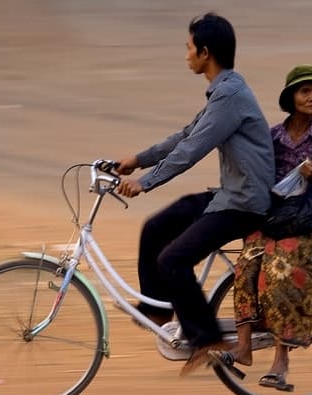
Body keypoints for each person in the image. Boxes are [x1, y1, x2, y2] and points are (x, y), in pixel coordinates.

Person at [115, 13, 275, 366]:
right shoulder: (223, 91)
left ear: (205, 53)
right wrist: (138, 159)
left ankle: (207, 339)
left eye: (188, 48)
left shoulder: (230, 95)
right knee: (156, 227)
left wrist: (145, 182)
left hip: (244, 203)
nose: (185, 54)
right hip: (230, 194)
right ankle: (158, 310)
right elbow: (186, 135)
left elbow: (191, 151)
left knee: (173, 259)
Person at [218, 65, 312, 391]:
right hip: (276, 219)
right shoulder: (272, 137)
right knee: (248, 261)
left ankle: (281, 360)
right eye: (305, 91)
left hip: (311, 222)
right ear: (291, 97)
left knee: (280, 265)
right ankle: (244, 347)